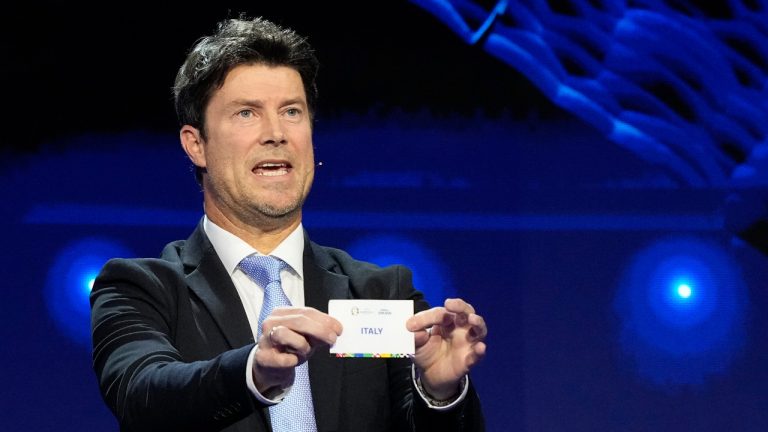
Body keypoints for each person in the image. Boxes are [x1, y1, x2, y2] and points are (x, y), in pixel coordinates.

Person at [90, 15, 487, 432]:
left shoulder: (382, 293)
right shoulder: (140, 289)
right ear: (196, 145)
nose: (276, 133)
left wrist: (440, 393)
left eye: (291, 111)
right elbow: (144, 397)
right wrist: (254, 372)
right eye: (247, 113)